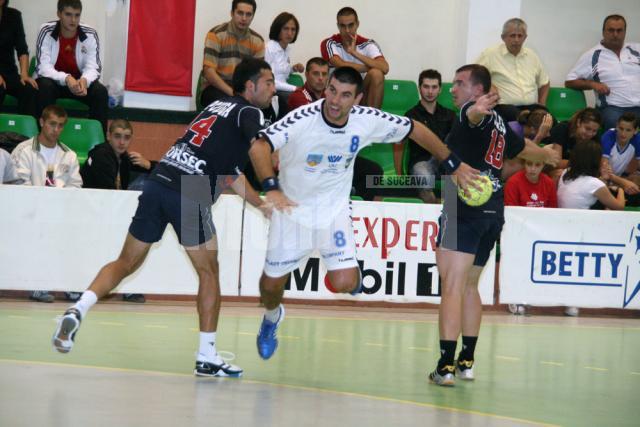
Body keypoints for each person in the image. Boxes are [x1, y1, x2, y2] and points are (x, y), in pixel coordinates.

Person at [51, 58, 275, 377]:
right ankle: (207, 354)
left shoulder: (216, 107)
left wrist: (260, 205)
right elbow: (258, 147)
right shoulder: (250, 112)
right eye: (267, 82)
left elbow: (230, 175)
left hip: (159, 179)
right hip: (193, 186)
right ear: (249, 86)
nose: (272, 87)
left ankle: (80, 306)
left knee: (125, 262)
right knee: (209, 272)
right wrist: (272, 187)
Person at [248, 66, 479, 361]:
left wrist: (453, 164)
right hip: (292, 212)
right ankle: (271, 319)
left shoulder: (366, 120)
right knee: (269, 288)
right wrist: (272, 187)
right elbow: (258, 146)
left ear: (357, 99)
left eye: (345, 95)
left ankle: (346, 274)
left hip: (334, 213)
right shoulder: (302, 118)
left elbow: (416, 129)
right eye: (331, 91)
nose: (335, 100)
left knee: (345, 282)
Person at [428, 64, 559, 386]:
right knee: (471, 286)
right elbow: (520, 148)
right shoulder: (500, 122)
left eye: (459, 83)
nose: (452, 89)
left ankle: (445, 367)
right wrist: (546, 153)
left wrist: (474, 108)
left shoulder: (469, 113)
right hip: (493, 209)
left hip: (461, 203)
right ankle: (467, 362)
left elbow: (471, 116)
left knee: (453, 286)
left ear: (477, 90)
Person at [11, 104, 82, 303]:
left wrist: (59, 201)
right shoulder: (24, 151)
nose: (56, 130)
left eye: (60, 126)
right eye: (52, 124)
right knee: (40, 232)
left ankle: (71, 285)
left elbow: (76, 186)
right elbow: (18, 184)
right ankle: (38, 284)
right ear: (42, 123)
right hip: (28, 212)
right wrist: (40, 203)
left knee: (75, 232)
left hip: (58, 213)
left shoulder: (69, 155)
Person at [284, 57, 382, 201]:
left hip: (333, 154)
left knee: (373, 172)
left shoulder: (331, 97)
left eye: (324, 74)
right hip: (308, 157)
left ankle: (363, 215)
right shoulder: (298, 97)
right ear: (307, 75)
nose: (320, 78)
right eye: (316, 74)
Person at [81, 118, 156, 304]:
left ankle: (125, 288)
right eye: (117, 137)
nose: (122, 142)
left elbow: (162, 172)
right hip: (90, 213)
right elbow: (109, 193)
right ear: (108, 136)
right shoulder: (101, 154)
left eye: (126, 138)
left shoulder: (123, 158)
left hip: (108, 212)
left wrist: (149, 165)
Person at [34, 0, 108, 134]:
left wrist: (85, 80)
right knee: (44, 86)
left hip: (78, 83)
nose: (73, 20)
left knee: (100, 92)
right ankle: (42, 136)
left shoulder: (90, 33)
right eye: (68, 14)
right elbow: (42, 67)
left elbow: (94, 67)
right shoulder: (46, 30)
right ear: (59, 14)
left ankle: (99, 143)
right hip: (54, 82)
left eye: (77, 15)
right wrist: (66, 78)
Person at [565, 15, 640, 130]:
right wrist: (593, 84)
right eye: (611, 30)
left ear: (625, 32)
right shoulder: (593, 55)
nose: (615, 34)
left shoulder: (636, 49)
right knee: (614, 122)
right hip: (613, 108)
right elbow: (570, 81)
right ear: (603, 32)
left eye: (619, 30)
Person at [476, 18, 550, 122]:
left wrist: (542, 104)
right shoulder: (490, 54)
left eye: (520, 36)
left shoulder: (532, 56)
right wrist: (489, 86)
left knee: (551, 121)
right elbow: (474, 75)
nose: (516, 40)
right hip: (504, 107)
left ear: (525, 37)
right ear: (503, 37)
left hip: (532, 107)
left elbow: (545, 83)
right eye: (512, 36)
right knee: (522, 120)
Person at [403, 69, 456, 203]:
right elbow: (399, 144)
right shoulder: (411, 115)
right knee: (423, 175)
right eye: (426, 86)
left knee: (454, 171)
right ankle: (434, 212)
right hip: (422, 162)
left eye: (434, 87)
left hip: (446, 161)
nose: (430, 91)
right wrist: (400, 172)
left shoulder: (449, 115)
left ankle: (449, 216)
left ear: (440, 89)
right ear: (420, 88)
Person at [199, 0, 264, 107]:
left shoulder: (258, 41)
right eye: (240, 13)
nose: (244, 18)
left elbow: (257, 75)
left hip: (243, 91)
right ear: (232, 13)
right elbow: (209, 72)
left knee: (269, 104)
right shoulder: (216, 34)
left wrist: (249, 95)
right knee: (232, 105)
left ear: (253, 16)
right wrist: (234, 94)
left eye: (248, 14)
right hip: (216, 88)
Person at [320, 7, 389, 109]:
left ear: (357, 24)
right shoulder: (329, 43)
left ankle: (373, 121)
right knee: (375, 70)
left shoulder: (368, 44)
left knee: (377, 74)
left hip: (360, 97)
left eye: (351, 25)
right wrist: (370, 66)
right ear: (338, 26)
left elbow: (385, 67)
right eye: (343, 26)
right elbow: (341, 65)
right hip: (336, 96)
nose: (347, 30)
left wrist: (354, 53)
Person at [0, 0, 38, 116]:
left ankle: (25, 132)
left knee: (28, 89)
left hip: (9, 73)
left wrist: (24, 74)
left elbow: (22, 48)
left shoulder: (14, 15)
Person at [264, 12, 303, 118]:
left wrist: (293, 69)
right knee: (299, 97)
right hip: (272, 91)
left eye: (293, 29)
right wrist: (295, 88)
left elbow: (280, 72)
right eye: (286, 29)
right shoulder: (269, 48)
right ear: (278, 29)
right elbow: (270, 81)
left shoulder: (286, 49)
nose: (290, 33)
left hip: (282, 89)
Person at [600, 112, 640, 197]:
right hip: (603, 175)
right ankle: (617, 195)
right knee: (603, 181)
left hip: (621, 177)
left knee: (637, 178)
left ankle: (617, 191)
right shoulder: (609, 136)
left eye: (628, 130)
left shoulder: (637, 140)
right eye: (621, 128)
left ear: (635, 131)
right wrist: (624, 183)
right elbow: (604, 170)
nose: (623, 134)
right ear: (616, 126)